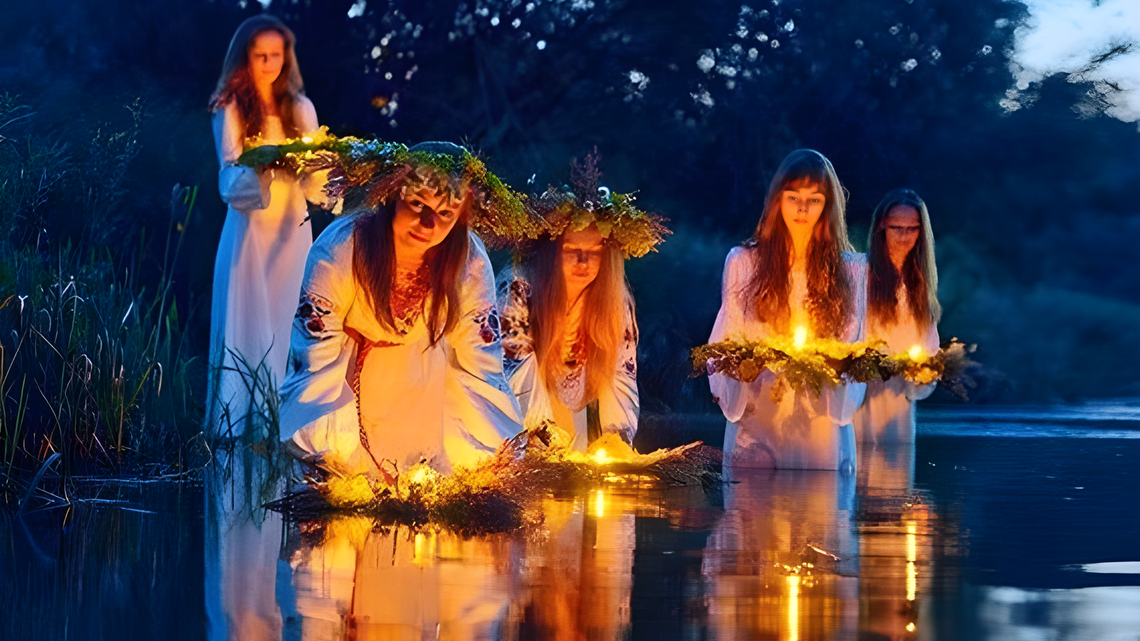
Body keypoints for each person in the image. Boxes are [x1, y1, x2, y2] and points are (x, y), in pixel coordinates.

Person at [277, 142, 527, 477]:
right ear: (391, 197)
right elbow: (315, 351)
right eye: (418, 204)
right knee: (351, 485)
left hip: (426, 383)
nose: (428, 224)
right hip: (348, 383)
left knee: (425, 482)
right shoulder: (341, 248)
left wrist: (500, 444)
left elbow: (481, 359)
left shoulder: (468, 260)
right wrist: (324, 444)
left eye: (445, 214)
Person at [206, 15, 329, 436]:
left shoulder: (301, 108)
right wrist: (263, 167)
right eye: (260, 56)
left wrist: (319, 169)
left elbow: (319, 181)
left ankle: (289, 427)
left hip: (292, 231)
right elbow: (227, 177)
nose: (269, 63)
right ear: (244, 58)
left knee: (288, 316)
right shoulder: (229, 107)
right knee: (249, 320)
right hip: (250, 233)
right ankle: (239, 429)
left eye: (276, 55)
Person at [708, 149, 867, 472]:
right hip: (758, 420)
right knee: (753, 512)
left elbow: (853, 344)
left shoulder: (852, 271)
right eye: (793, 197)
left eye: (814, 199)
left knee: (819, 514)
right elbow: (731, 334)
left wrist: (826, 362)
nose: (802, 209)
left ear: (829, 206)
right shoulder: (744, 262)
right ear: (777, 199)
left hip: (821, 421)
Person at [498, 154, 668, 451]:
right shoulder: (518, 288)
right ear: (551, 252)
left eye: (594, 251)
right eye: (571, 249)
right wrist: (542, 434)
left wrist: (617, 437)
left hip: (572, 422)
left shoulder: (614, 302)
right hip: (515, 416)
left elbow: (621, 375)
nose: (583, 261)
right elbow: (514, 367)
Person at [853, 189, 941, 443]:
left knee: (893, 472)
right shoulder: (861, 273)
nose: (904, 236)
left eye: (911, 229)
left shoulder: (921, 285)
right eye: (897, 227)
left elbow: (929, 346)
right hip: (860, 390)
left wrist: (923, 369)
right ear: (882, 226)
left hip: (899, 398)